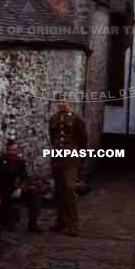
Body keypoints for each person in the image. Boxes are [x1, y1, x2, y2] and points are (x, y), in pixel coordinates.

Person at [48, 93, 88, 236]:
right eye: (59, 102)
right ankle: (61, 221)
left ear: (69, 103)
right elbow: (52, 137)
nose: (61, 104)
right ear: (56, 104)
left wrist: (80, 157)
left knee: (70, 189)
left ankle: (73, 224)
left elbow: (83, 140)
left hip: (71, 158)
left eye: (64, 102)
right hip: (57, 157)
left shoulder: (77, 119)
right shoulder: (53, 119)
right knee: (58, 190)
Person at [0, 139, 43, 233]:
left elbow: (25, 178)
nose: (13, 153)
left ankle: (33, 224)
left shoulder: (19, 161)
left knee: (34, 193)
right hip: (0, 191)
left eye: (15, 150)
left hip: (13, 191)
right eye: (10, 150)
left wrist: (20, 189)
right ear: (6, 150)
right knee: (2, 219)